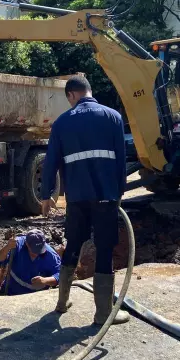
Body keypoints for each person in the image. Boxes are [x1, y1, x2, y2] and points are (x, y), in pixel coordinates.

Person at [40, 75, 129, 325]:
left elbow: (51, 163)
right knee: (104, 248)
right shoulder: (113, 117)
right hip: (105, 196)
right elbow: (121, 160)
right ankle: (103, 314)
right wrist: (119, 192)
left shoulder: (61, 123)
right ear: (89, 91)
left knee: (73, 244)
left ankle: (62, 302)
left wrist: (46, 194)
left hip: (77, 197)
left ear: (71, 95)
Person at [0, 230, 61, 296]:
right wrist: (7, 247)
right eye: (34, 250)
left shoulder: (51, 255)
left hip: (36, 297)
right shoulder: (17, 245)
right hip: (11, 292)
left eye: (40, 250)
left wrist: (45, 280)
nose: (37, 253)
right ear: (26, 244)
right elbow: (0, 259)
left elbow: (60, 274)